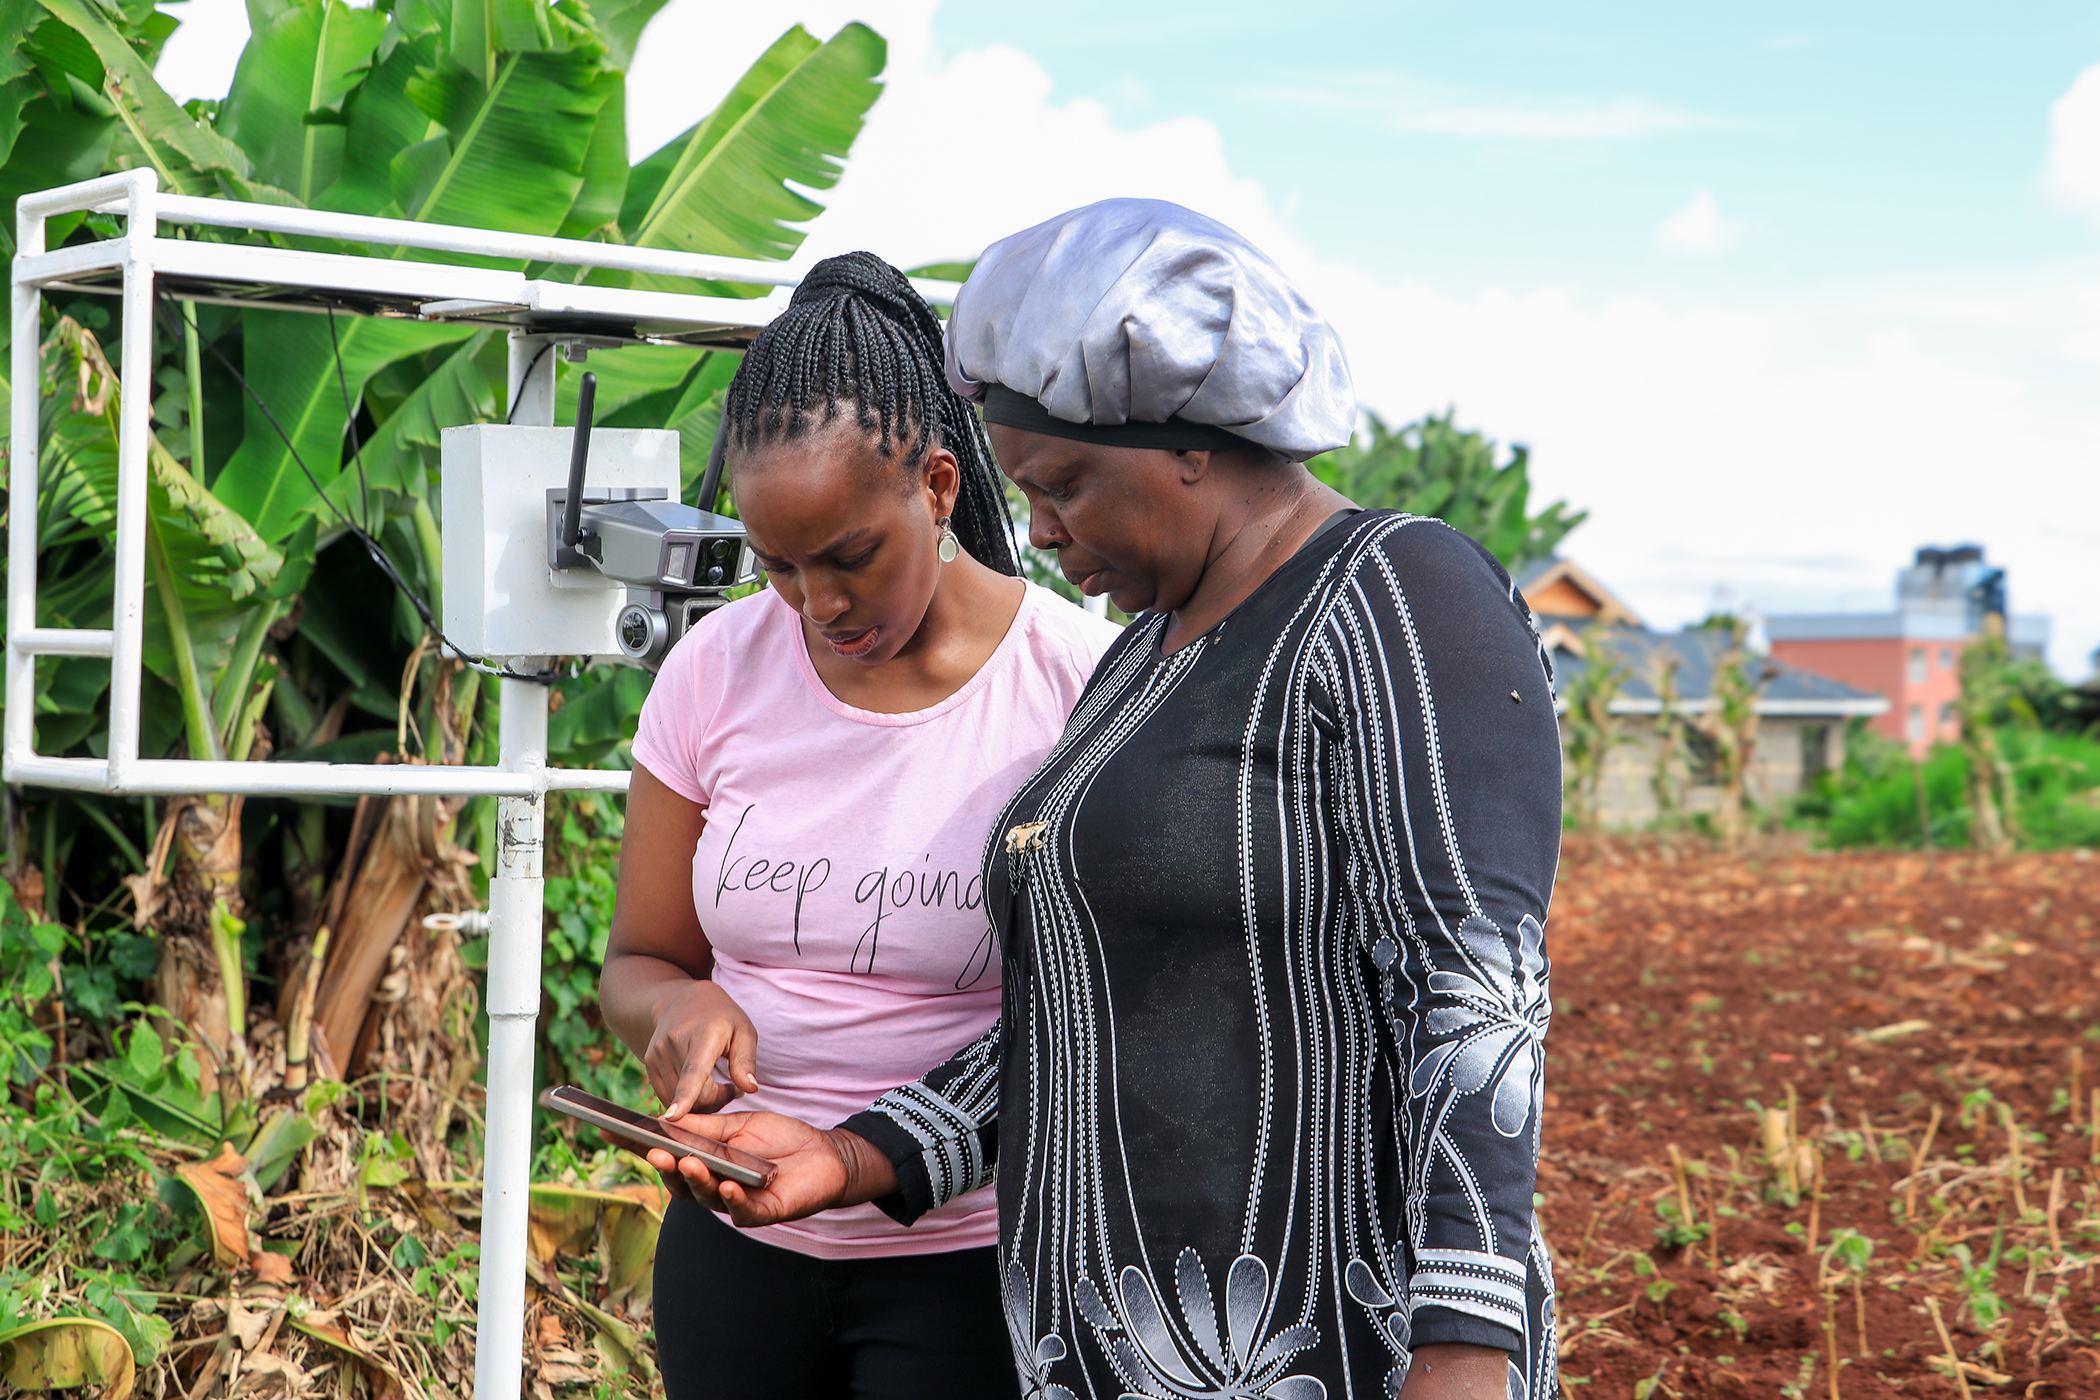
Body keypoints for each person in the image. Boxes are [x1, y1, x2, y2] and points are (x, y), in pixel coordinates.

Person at [651, 203, 1565, 1400]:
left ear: (1188, 437)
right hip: (1114, 1361)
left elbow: (1475, 996)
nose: (1037, 527)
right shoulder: (1141, 664)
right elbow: (1080, 1014)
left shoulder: (1394, 596)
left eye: (1066, 482)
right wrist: (854, 1152)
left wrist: (1465, 1350)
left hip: (1324, 1354)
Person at [597, 251, 1122, 1400]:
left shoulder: (1080, 685)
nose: (818, 606)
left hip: (973, 1268)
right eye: (779, 566)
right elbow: (636, 961)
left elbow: (1099, 1014)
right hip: (736, 1252)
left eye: (849, 558)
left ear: (937, 485)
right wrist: (680, 1007)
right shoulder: (713, 672)